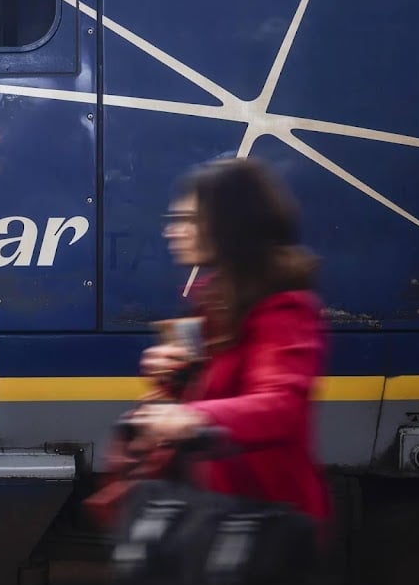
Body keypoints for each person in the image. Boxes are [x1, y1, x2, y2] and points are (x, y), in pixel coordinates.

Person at [134, 157, 331, 526]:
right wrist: (173, 374)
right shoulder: (215, 299)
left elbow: (281, 404)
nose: (172, 232)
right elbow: (212, 391)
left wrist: (192, 418)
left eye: (189, 221)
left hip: (267, 524)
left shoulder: (284, 306)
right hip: (219, 512)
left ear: (230, 224)